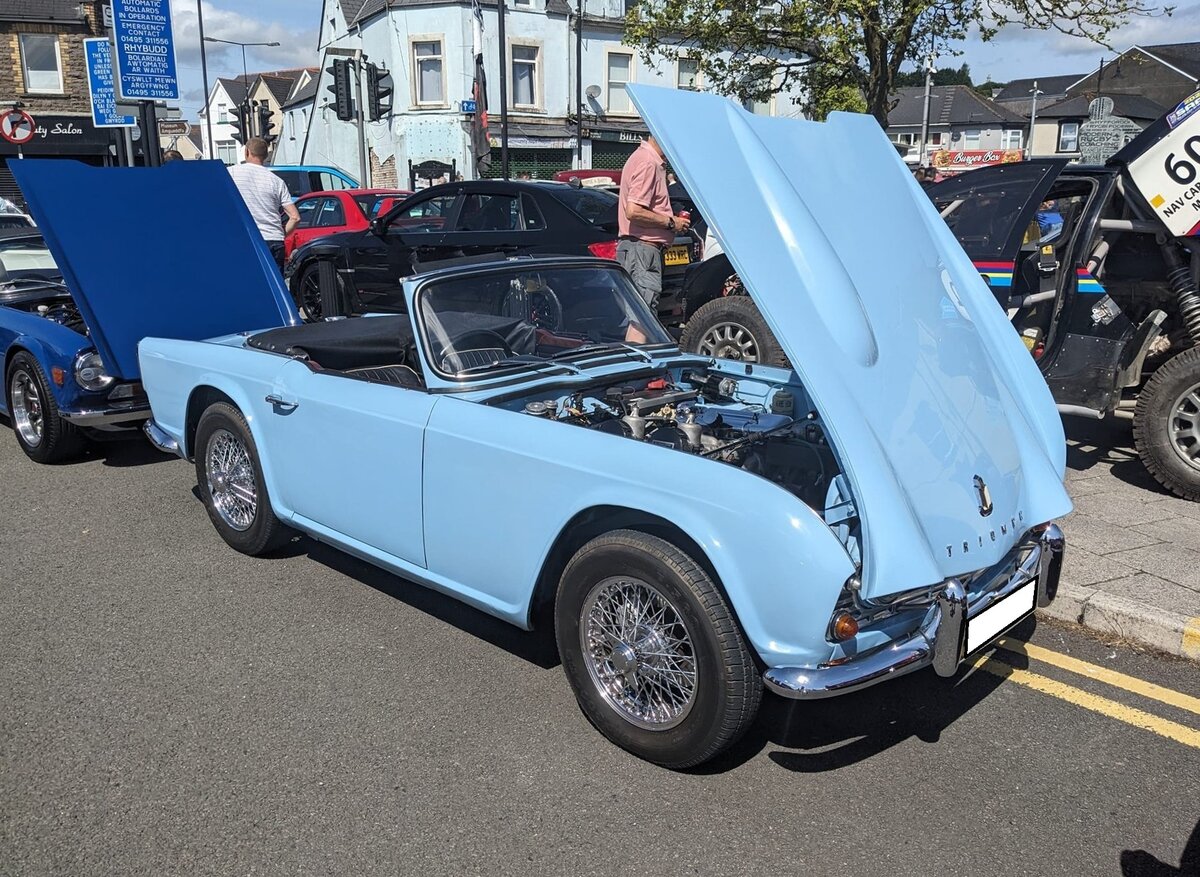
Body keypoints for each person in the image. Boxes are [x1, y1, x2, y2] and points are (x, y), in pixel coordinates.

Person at [616, 135, 690, 310]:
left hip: (639, 250)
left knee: (638, 316)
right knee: (643, 317)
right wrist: (671, 223)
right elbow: (634, 211)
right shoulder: (649, 163)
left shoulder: (643, 158)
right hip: (642, 251)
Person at [227, 137, 300, 272]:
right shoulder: (277, 181)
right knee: (275, 287)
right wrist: (280, 233)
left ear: (247, 152)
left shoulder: (231, 173)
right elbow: (295, 217)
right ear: (266, 156)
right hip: (274, 239)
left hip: (247, 239)